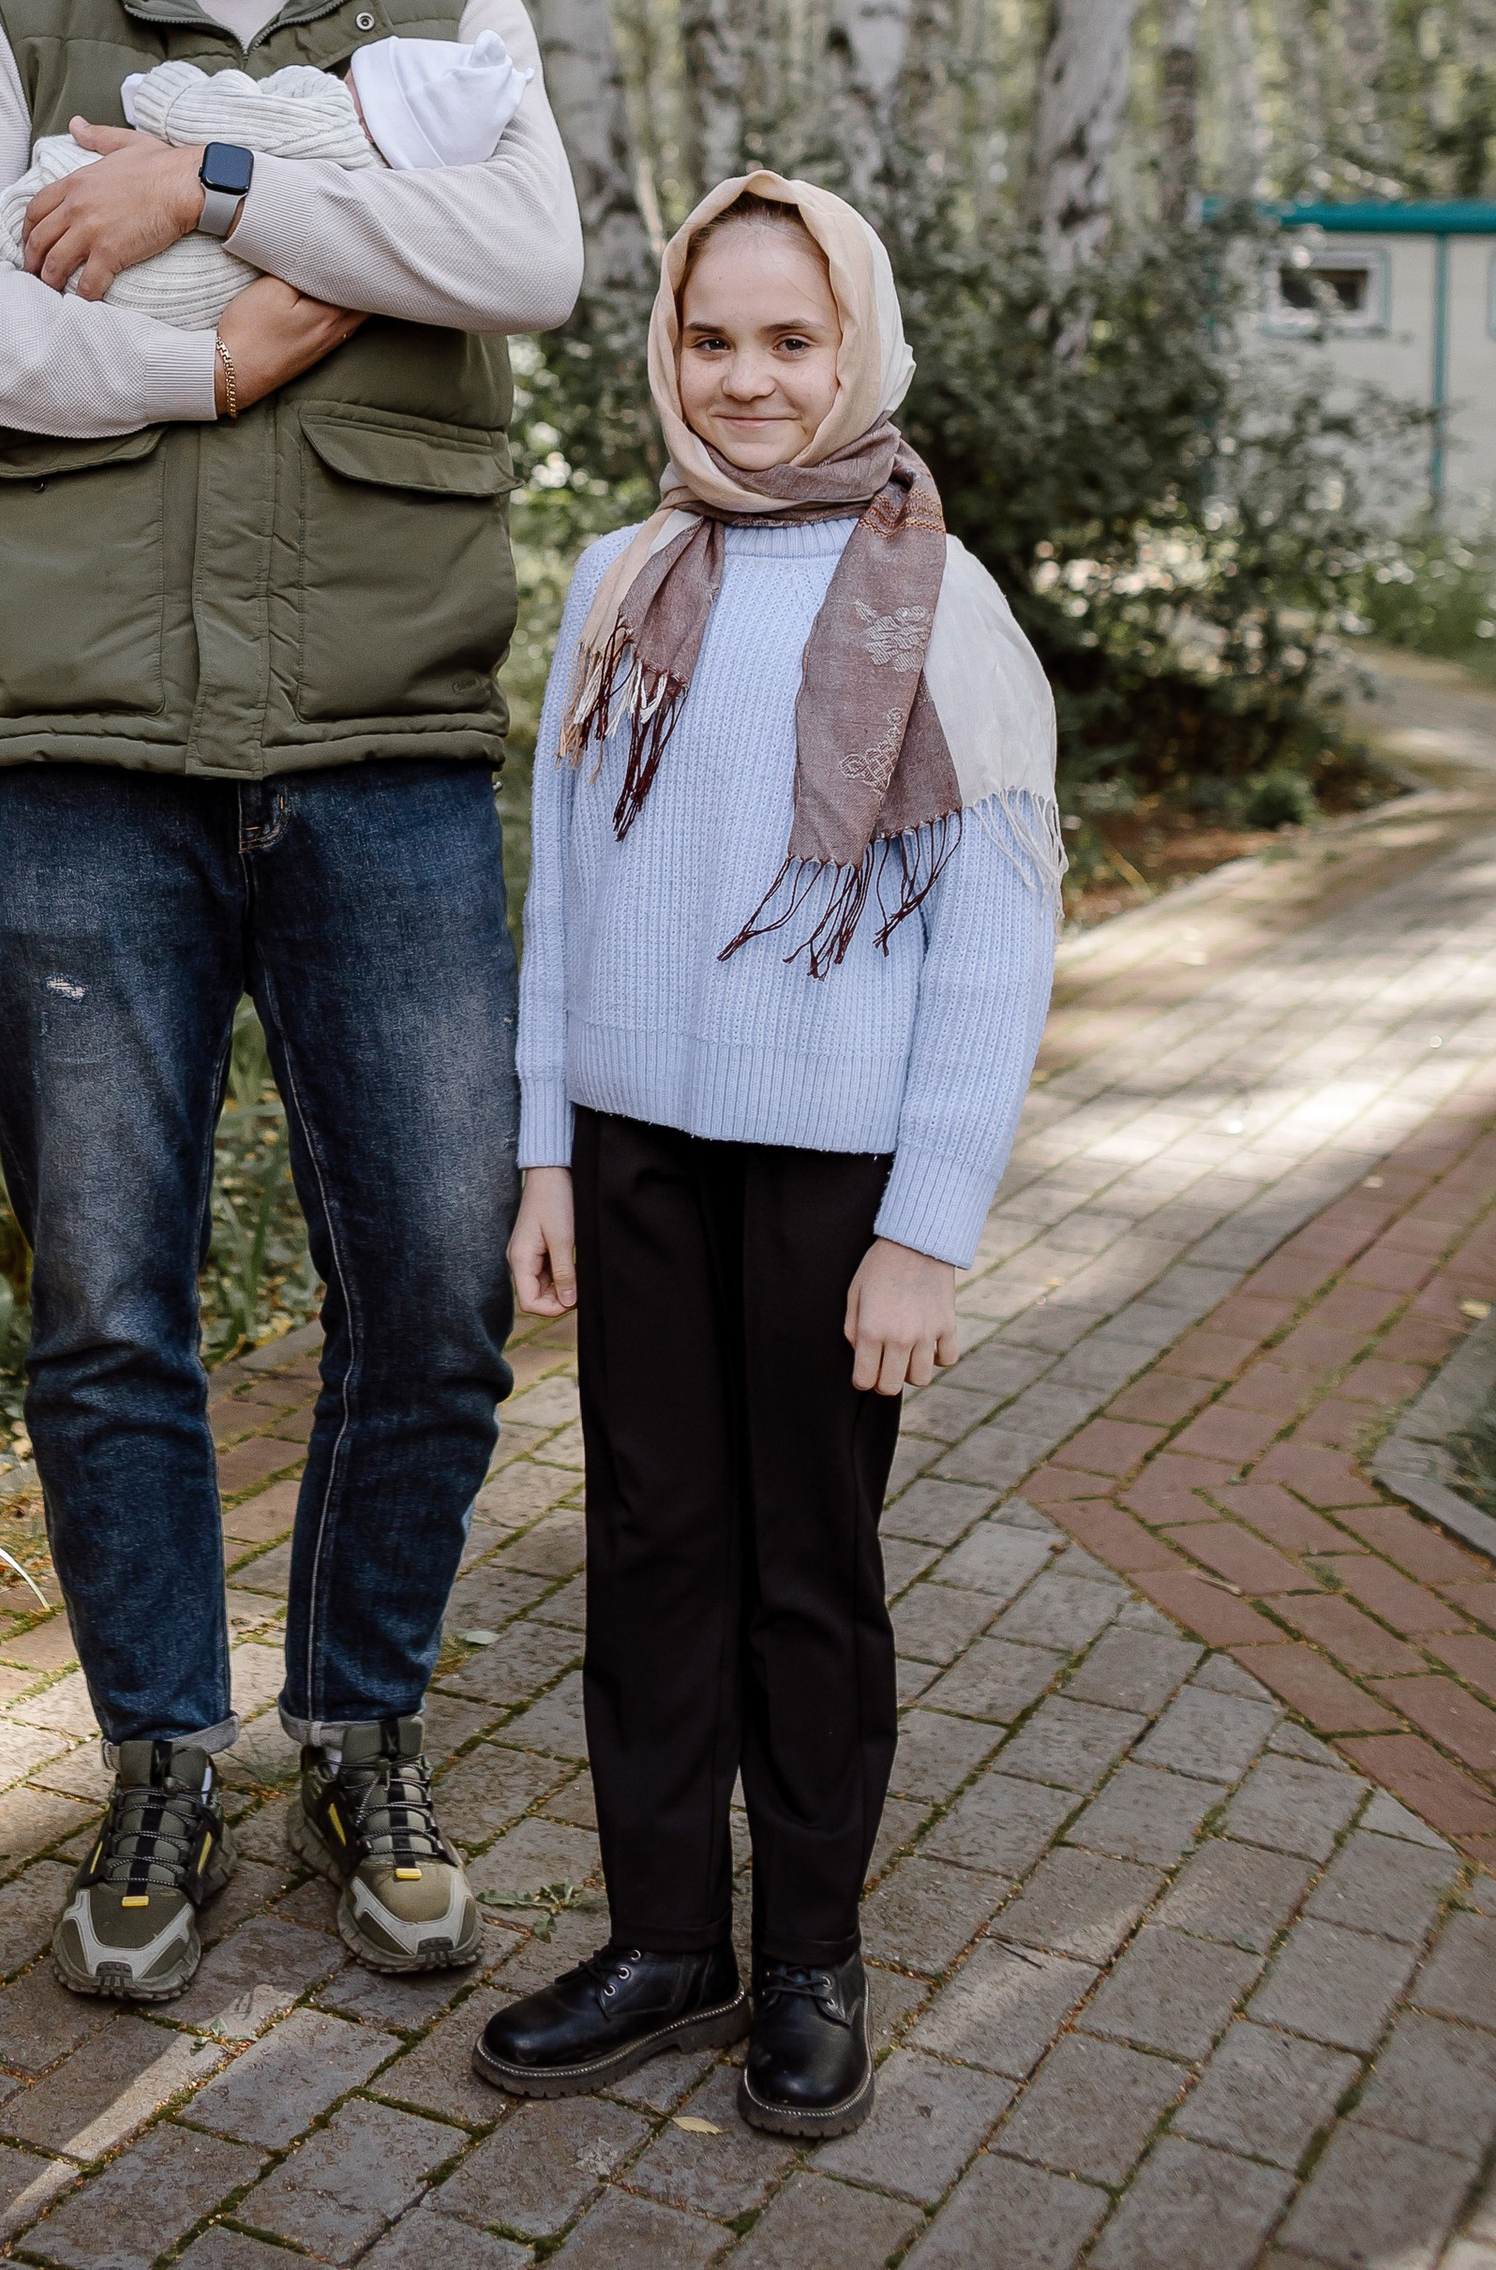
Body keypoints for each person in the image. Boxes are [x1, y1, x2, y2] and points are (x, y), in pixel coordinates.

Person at [0, 0, 587, 2005]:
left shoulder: (441, 8)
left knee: (440, 1296)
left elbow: (534, 250)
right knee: (104, 1308)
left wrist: (214, 194)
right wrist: (195, 369)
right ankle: (160, 1745)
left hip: (374, 735)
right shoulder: (0, 12)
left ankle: (357, 1715)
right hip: (78, 753)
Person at [476, 172, 1060, 2138]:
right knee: (649, 1552)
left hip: (829, 1175)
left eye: (786, 342)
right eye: (708, 340)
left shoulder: (934, 598)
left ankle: (806, 1952)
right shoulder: (617, 580)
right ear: (665, 350)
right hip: (635, 1148)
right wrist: (543, 1150)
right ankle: (665, 1941)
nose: (744, 380)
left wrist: (926, 1231)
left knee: (802, 1571)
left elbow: (994, 943)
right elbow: (566, 882)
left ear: (855, 347)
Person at [0, 32, 528, 322]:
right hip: (183, 312)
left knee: (51, 204)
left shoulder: (324, 116)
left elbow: (200, 114)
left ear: (366, 103)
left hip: (83, 244)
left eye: (351, 76)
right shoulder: (389, 213)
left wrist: (158, 90)